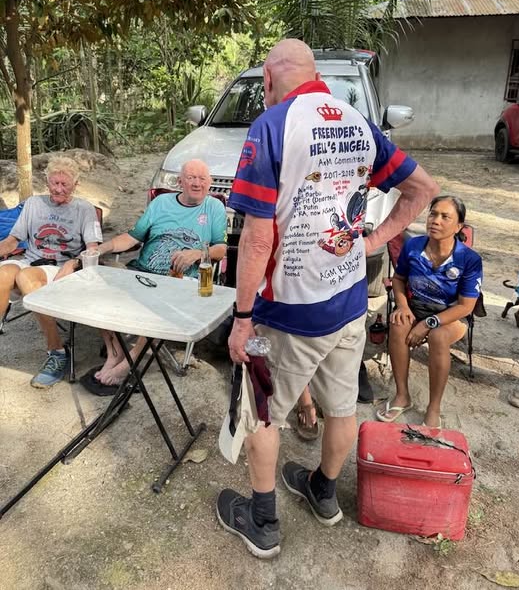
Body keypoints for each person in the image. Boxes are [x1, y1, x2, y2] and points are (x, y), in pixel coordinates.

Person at [216, 38, 439, 559]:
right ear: (314, 74)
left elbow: (256, 239)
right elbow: (423, 189)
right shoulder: (359, 123)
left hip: (289, 311)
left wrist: (243, 318)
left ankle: (263, 521)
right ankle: (323, 490)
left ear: (268, 80)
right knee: (341, 407)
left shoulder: (271, 126)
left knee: (263, 412)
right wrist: (373, 241)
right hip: (349, 300)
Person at [80, 159, 227, 392]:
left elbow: (221, 249)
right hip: (142, 272)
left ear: (209, 183)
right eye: (190, 178)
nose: (196, 183)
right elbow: (133, 237)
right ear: (180, 181)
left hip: (181, 281)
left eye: (202, 179)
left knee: (164, 302)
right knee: (97, 285)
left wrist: (198, 253)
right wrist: (101, 248)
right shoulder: (161, 203)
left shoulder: (214, 208)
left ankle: (130, 361)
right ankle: (114, 351)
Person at [376, 195, 483, 428]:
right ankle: (402, 396)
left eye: (445, 217)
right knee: (398, 323)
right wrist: (402, 306)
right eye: (433, 214)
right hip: (415, 306)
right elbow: (398, 279)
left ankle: (434, 407)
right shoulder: (413, 246)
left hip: (451, 315)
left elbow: (466, 306)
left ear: (459, 226)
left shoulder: (469, 260)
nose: (436, 220)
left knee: (438, 336)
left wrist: (428, 323)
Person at [0, 155, 102, 387]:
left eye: (64, 184)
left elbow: (93, 249)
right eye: (54, 183)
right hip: (31, 261)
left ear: (75, 184)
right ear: (47, 182)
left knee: (25, 276)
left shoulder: (84, 209)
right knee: (4, 274)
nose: (58, 189)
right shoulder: (33, 204)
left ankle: (57, 352)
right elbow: (13, 240)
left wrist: (73, 263)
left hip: (61, 268)